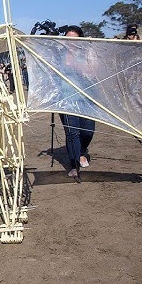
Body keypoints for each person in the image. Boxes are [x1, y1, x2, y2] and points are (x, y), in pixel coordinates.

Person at [59, 26, 95, 179]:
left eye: (75, 40)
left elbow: (93, 70)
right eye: (68, 39)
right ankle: (74, 166)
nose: (71, 43)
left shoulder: (85, 54)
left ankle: (81, 152)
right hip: (66, 100)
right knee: (72, 134)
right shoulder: (59, 55)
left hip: (86, 99)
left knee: (88, 132)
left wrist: (74, 64)